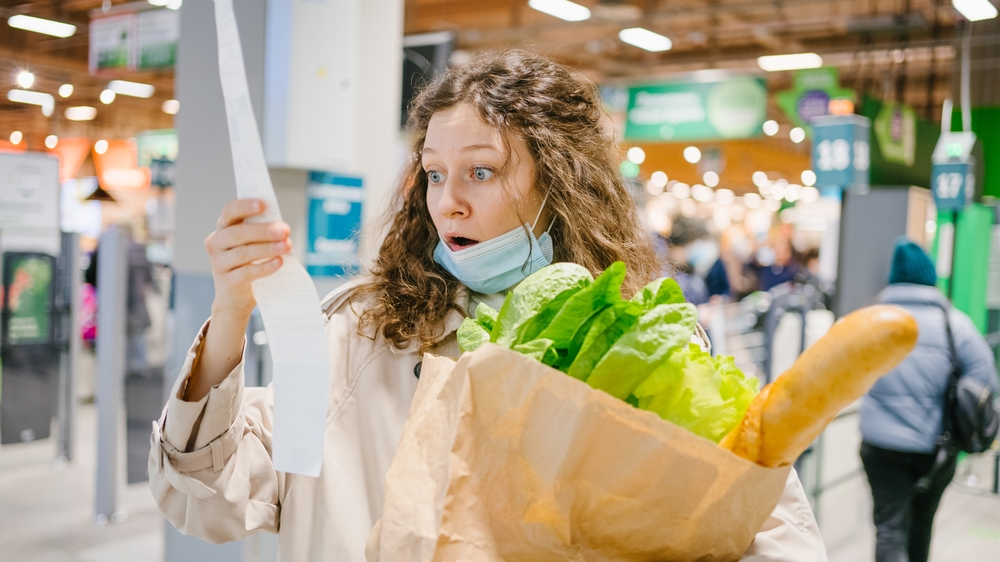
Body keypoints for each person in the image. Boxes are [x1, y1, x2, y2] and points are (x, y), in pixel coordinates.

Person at [149, 50, 826, 561]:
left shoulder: (642, 343)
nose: (448, 202)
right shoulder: (362, 332)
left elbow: (773, 534)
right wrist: (233, 311)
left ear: (559, 183)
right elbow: (208, 493)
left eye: (481, 170)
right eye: (435, 174)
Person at [859, 237, 999, 562]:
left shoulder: (869, 321)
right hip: (934, 448)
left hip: (880, 447)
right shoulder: (955, 324)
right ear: (929, 276)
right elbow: (985, 381)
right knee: (922, 526)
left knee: (889, 528)